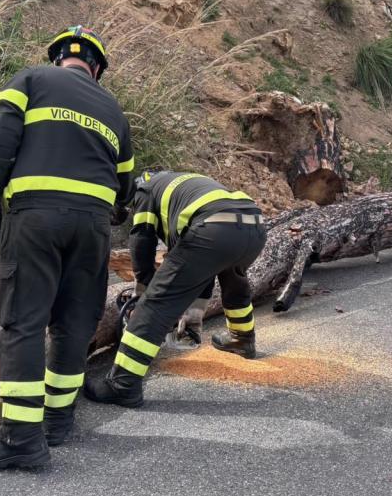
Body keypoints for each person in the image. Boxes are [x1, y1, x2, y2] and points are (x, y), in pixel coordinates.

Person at [0, 26, 133, 469]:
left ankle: (22, 440)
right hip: (93, 225)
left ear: (59, 56)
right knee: (74, 324)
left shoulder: (30, 80)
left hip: (36, 218)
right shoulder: (113, 109)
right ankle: (58, 422)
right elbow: (125, 182)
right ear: (97, 68)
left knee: (24, 323)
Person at [84, 171, 266, 407]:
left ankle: (122, 384)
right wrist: (194, 310)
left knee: (156, 303)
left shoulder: (145, 191)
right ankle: (243, 340)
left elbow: (141, 240)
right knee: (234, 281)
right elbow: (201, 267)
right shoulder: (179, 183)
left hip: (214, 228)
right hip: (253, 225)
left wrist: (144, 289)